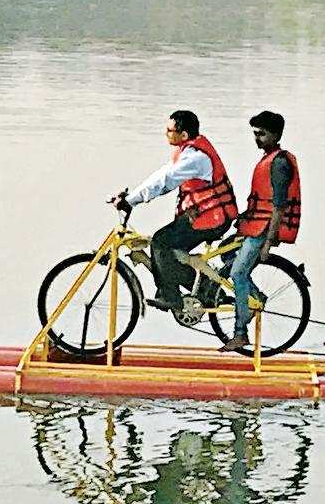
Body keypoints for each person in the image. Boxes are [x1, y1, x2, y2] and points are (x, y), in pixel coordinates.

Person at [115, 110, 238, 311]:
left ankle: (171, 297)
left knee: (161, 242)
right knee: (170, 252)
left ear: (184, 135)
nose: (166, 134)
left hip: (212, 219)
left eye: (170, 130)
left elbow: (166, 182)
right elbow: (161, 174)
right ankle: (208, 290)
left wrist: (131, 202)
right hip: (206, 216)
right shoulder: (187, 151)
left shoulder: (195, 158)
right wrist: (131, 197)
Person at [219, 110, 301, 352]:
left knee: (238, 273)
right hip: (256, 224)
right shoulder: (270, 158)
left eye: (262, 134)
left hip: (264, 229)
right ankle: (256, 296)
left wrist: (269, 242)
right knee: (226, 255)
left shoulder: (279, 163)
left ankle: (240, 333)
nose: (257, 139)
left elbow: (279, 206)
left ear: (275, 135)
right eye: (254, 134)